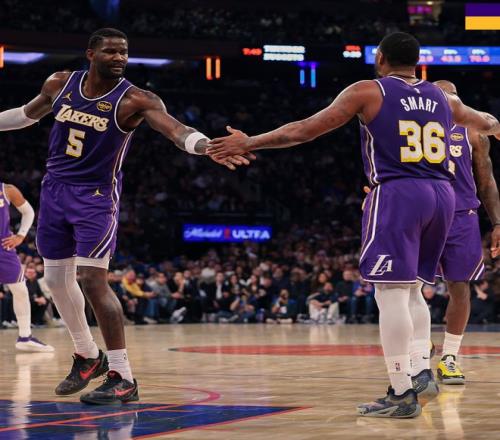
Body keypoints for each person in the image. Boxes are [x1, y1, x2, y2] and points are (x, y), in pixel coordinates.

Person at [207, 32, 500, 418]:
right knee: (413, 288)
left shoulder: (368, 90)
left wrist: (250, 142)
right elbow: (490, 122)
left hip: (400, 192)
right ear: (417, 62)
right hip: (444, 196)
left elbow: (305, 129)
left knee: (390, 293)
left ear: (380, 58)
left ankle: (401, 392)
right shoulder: (445, 99)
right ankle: (419, 370)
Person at [0, 27, 252, 405]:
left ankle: (123, 376)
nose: (119, 57)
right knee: (53, 280)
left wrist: (206, 146)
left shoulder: (136, 99)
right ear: (91, 54)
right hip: (54, 190)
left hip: (95, 197)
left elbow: (177, 131)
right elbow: (25, 116)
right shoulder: (59, 83)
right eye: (111, 51)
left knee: (92, 279)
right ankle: (88, 355)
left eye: (124, 52)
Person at [432, 80, 500, 385]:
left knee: (460, 286)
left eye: (451, 96)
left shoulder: (472, 131)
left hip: (461, 215)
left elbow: (486, 181)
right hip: (423, 212)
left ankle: (449, 357)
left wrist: (497, 223)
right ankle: (418, 348)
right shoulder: (408, 126)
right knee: (409, 284)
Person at [0, 182, 53, 353]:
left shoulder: (7, 190)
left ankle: (25, 337)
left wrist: (21, 235)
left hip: (4, 248)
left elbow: (28, 211)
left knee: (21, 291)